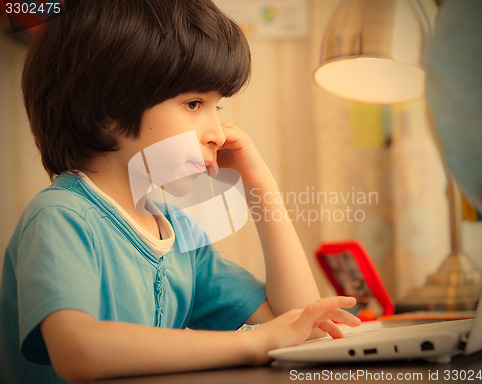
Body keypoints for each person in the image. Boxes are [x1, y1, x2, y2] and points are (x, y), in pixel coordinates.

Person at [0, 0, 361, 383]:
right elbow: (79, 350)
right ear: (110, 110)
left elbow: (303, 326)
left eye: (217, 108)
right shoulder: (61, 217)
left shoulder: (180, 236)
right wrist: (253, 343)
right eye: (194, 104)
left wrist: (260, 185)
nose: (218, 133)